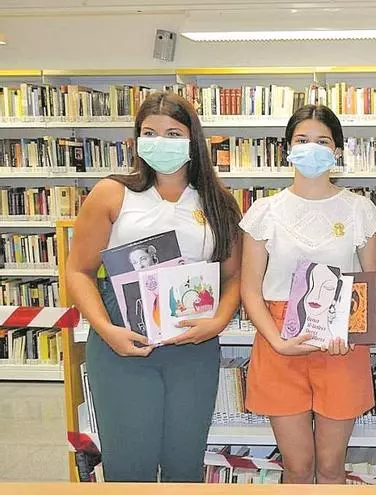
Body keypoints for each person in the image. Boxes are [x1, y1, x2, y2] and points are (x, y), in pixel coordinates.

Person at [65, 92, 243, 482]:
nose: (160, 142)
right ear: (137, 139)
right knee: (129, 466)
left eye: (173, 133)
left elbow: (233, 276)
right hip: (123, 343)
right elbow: (78, 270)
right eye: (150, 133)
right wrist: (106, 329)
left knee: (185, 464)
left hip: (192, 346)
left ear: (192, 139)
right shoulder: (112, 193)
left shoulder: (217, 201)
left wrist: (217, 323)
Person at [239, 104, 376, 484]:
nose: (312, 148)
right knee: (297, 466)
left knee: (332, 466)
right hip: (279, 341)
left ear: (337, 150)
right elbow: (249, 289)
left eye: (322, 141)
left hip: (341, 343)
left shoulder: (360, 210)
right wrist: (277, 341)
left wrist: (350, 328)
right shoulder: (264, 211)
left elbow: (374, 280)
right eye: (302, 140)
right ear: (287, 148)